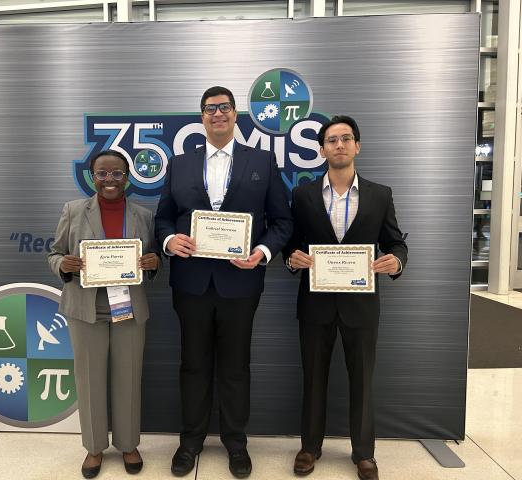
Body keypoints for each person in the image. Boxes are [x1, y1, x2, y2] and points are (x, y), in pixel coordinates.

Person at [155, 86, 293, 478]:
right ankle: (191, 441)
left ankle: (236, 443)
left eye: (225, 108)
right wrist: (169, 240)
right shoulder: (179, 164)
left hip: (241, 283)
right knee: (193, 365)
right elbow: (163, 217)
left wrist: (262, 253)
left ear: (236, 115)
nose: (218, 114)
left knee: (236, 367)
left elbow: (282, 222)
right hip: (191, 284)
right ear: (202, 117)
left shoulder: (263, 162)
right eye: (210, 108)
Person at [284, 115, 407, 480]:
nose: (339, 145)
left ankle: (364, 453)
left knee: (363, 381)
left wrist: (396, 260)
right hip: (315, 303)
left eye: (346, 139)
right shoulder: (303, 194)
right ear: (321, 149)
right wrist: (292, 257)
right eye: (332, 139)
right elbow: (290, 241)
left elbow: (396, 240)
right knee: (313, 379)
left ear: (357, 146)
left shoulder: (380, 194)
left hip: (361, 305)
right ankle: (309, 447)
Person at [48, 150, 160, 479]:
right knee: (89, 380)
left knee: (128, 378)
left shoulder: (143, 215)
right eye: (102, 174)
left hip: (128, 305)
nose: (109, 180)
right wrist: (62, 265)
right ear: (92, 176)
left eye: (116, 174)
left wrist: (154, 264)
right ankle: (94, 448)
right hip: (85, 308)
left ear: (128, 176)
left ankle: (128, 444)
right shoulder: (73, 210)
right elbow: (55, 254)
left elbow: (151, 258)